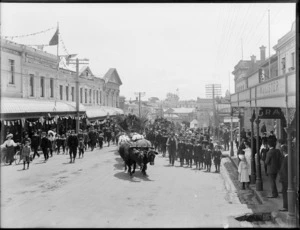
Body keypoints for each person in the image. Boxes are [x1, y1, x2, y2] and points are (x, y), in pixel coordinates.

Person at [279, 144, 288, 212]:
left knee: (285, 193)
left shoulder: (286, 159)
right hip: (286, 179)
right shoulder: (288, 158)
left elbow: (284, 170)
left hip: (285, 180)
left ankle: (286, 206)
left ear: (283, 151)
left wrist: (283, 179)